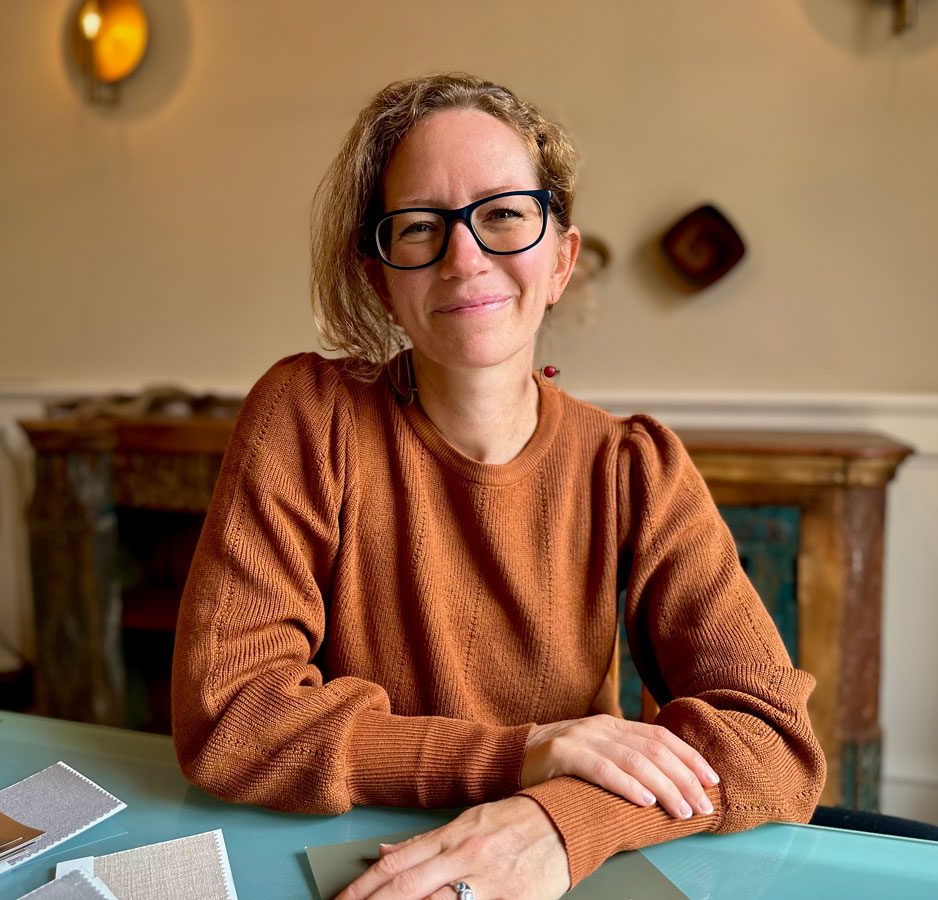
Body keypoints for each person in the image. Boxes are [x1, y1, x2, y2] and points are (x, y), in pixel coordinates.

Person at [172, 72, 826, 900]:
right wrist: (519, 754)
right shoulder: (306, 416)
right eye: (419, 227)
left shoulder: (635, 467)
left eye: (505, 215)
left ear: (561, 259)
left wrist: (563, 821)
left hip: (568, 873)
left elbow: (776, 741)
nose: (464, 256)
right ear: (380, 278)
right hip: (349, 862)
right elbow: (229, 720)